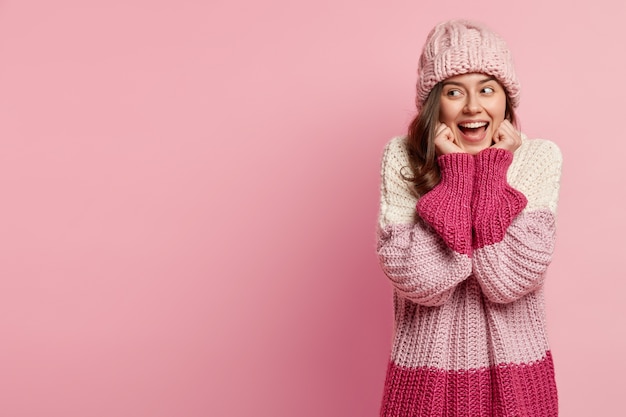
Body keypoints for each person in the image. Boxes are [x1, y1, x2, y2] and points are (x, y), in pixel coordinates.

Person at [377, 19, 562, 416]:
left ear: (506, 100)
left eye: (487, 89)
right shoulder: (403, 157)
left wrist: (493, 171)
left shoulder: (538, 159)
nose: (474, 107)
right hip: (424, 379)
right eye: (455, 91)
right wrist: (457, 175)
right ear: (434, 102)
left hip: (517, 378)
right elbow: (422, 280)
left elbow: (507, 280)